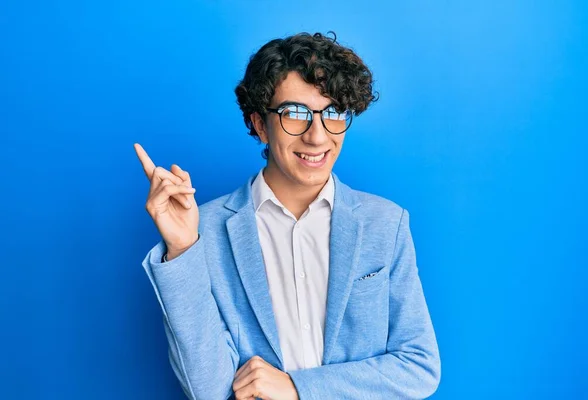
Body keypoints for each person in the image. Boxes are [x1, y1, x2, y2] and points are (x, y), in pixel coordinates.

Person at [135, 32, 440, 400]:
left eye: (332, 113)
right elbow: (207, 390)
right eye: (295, 113)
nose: (317, 136)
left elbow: (419, 365)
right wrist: (182, 247)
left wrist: (297, 388)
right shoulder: (206, 231)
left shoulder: (386, 224)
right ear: (260, 124)